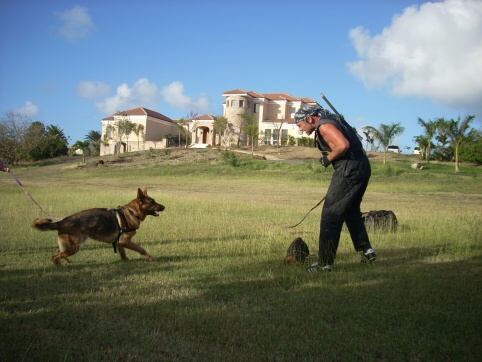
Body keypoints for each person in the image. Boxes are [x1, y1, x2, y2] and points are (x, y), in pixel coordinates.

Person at [295, 105, 376, 272]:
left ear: (310, 118)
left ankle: (325, 263)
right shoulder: (331, 120)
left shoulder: (323, 125)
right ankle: (367, 250)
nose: (300, 129)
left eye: (299, 124)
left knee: (331, 214)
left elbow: (343, 145)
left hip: (349, 169)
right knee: (350, 210)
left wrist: (327, 159)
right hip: (361, 166)